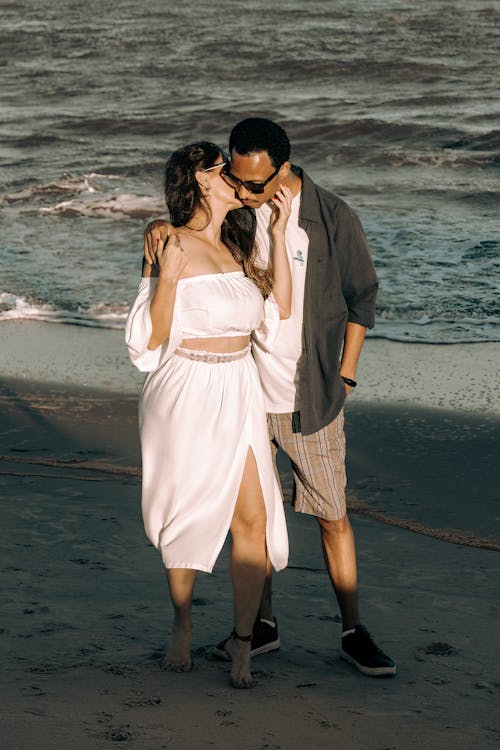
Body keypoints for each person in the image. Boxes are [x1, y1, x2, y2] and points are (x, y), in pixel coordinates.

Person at [144, 120, 396, 677]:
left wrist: (346, 377)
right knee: (255, 519)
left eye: (256, 182)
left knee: (331, 514)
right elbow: (193, 234)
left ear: (283, 169)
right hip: (244, 394)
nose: (247, 190)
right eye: (236, 177)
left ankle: (352, 630)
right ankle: (259, 627)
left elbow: (363, 300)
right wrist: (162, 227)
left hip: (310, 396)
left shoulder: (332, 218)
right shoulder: (236, 217)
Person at [126, 141, 293, 688]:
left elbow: (279, 312)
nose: (239, 180)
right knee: (188, 512)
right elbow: (147, 343)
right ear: (201, 179)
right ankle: (182, 621)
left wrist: (275, 232)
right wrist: (166, 278)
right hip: (187, 390)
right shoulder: (167, 241)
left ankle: (243, 643)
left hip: (239, 388)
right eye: (227, 171)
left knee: (254, 520)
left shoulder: (239, 245)